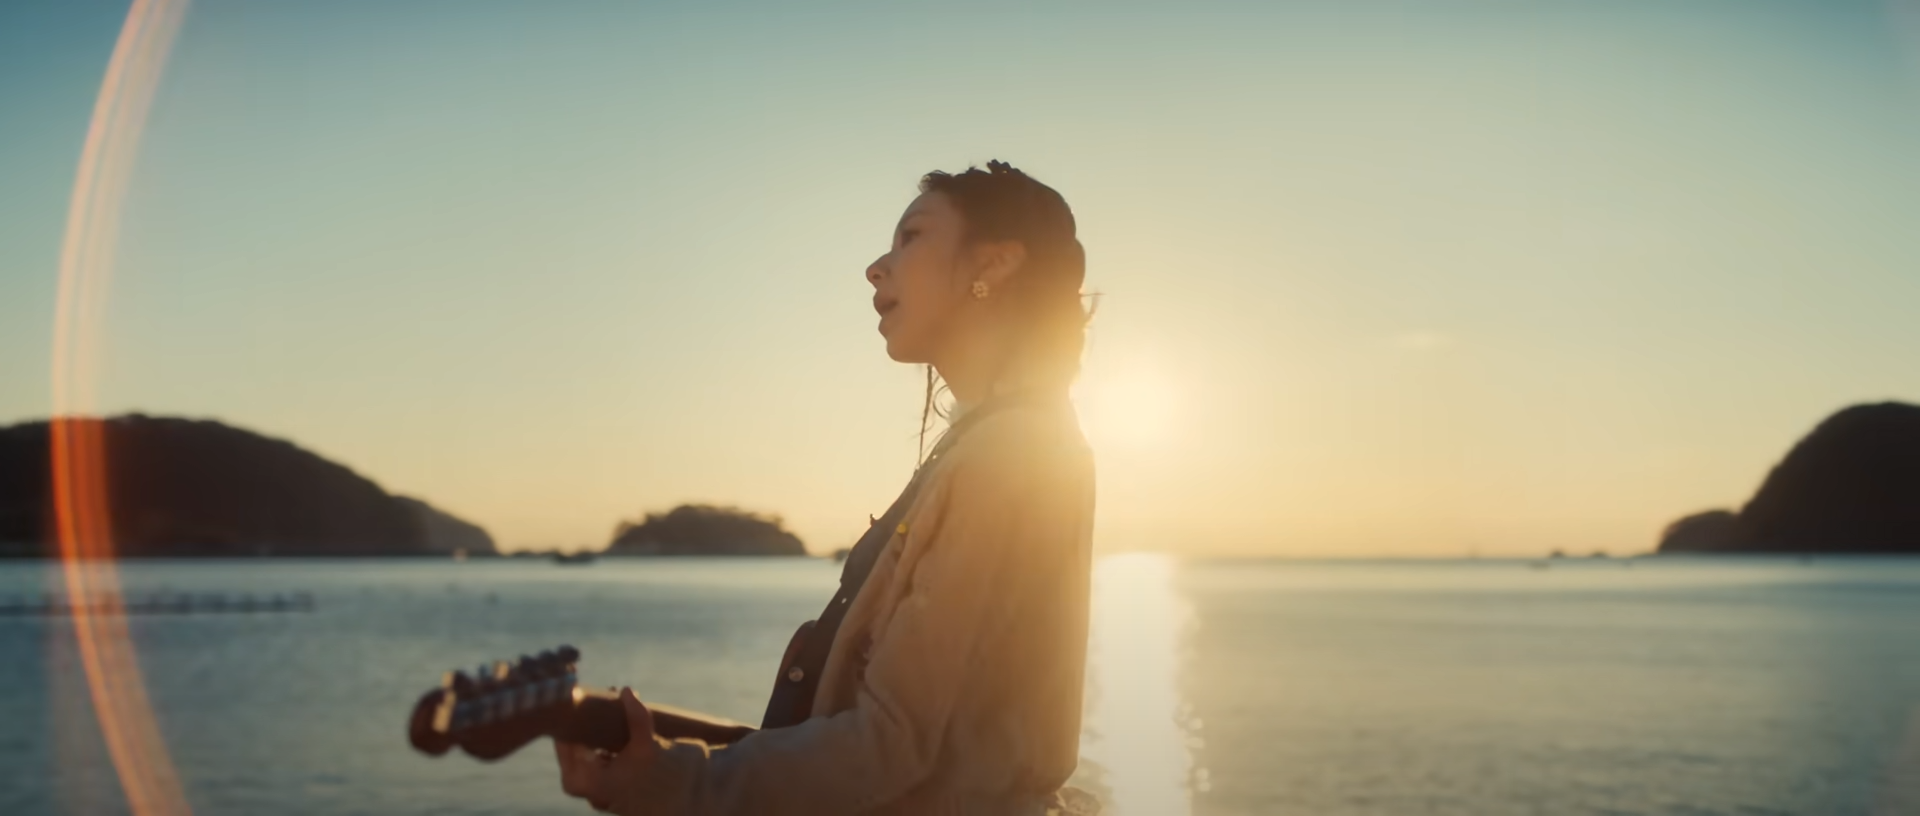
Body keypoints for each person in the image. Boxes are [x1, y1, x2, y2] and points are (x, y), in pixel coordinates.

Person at [552, 161, 1099, 815]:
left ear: (996, 264)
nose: (877, 266)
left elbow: (891, 746)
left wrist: (678, 784)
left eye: (912, 237)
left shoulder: (1011, 454)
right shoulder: (999, 443)